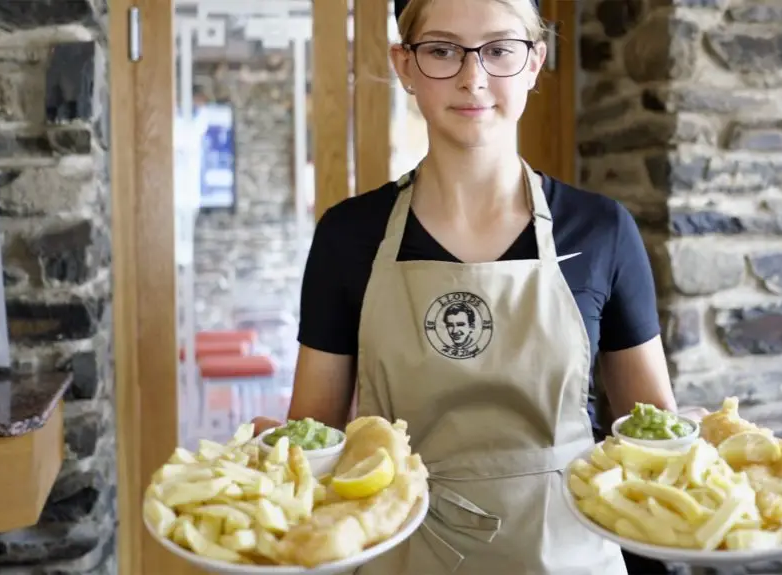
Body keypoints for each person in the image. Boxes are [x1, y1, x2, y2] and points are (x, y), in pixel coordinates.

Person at [252, 0, 706, 572]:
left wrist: (708, 450)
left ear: (535, 62)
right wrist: (274, 457)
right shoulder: (347, 236)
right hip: (400, 551)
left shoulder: (601, 229)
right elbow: (316, 436)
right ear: (405, 65)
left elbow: (650, 427)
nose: (473, 77)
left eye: (499, 50)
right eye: (441, 51)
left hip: (568, 553)